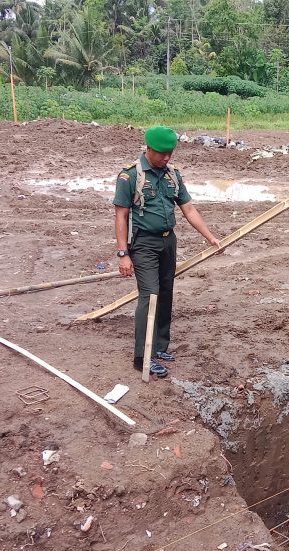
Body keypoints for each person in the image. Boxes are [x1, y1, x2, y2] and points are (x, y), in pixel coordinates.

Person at [113, 126, 221, 378]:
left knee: (165, 294)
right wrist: (123, 254)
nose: (167, 158)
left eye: (170, 153)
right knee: (149, 296)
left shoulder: (172, 175)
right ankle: (142, 357)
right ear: (148, 149)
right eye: (162, 153)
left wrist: (210, 237)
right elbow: (121, 216)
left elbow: (189, 209)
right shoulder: (130, 176)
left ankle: (160, 346)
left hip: (168, 241)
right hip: (144, 244)